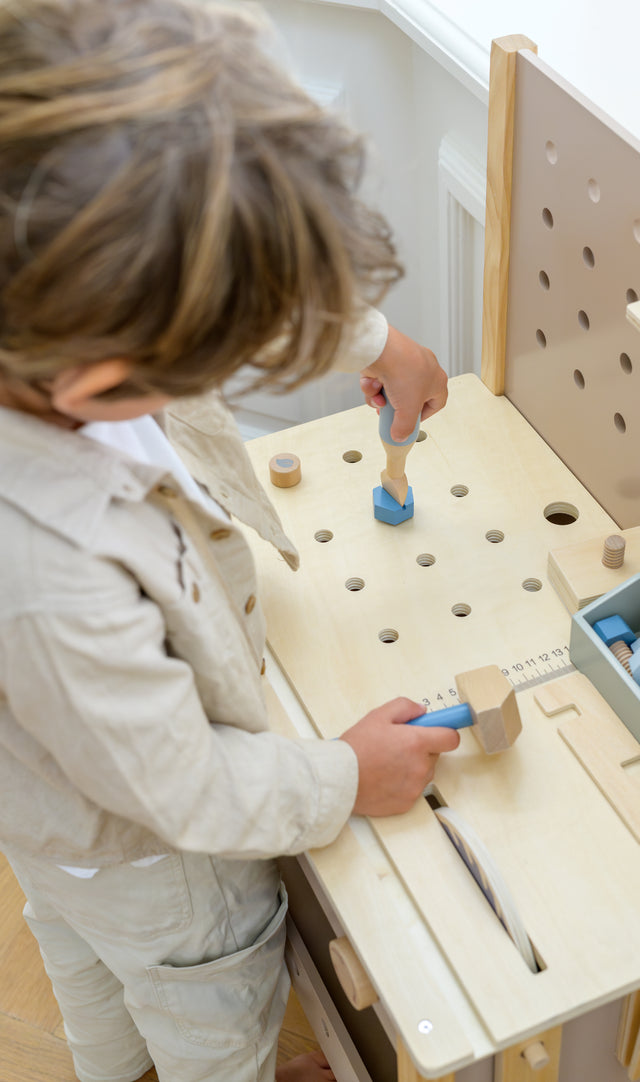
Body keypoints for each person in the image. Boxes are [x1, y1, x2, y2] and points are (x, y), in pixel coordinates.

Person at [0, 2, 456, 1081]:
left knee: (88, 971)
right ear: (110, 382)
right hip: (164, 866)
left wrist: (376, 337)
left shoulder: (53, 285)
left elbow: (202, 256)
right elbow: (192, 794)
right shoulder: (55, 583)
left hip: (50, 827)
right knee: (210, 1002)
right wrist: (345, 771)